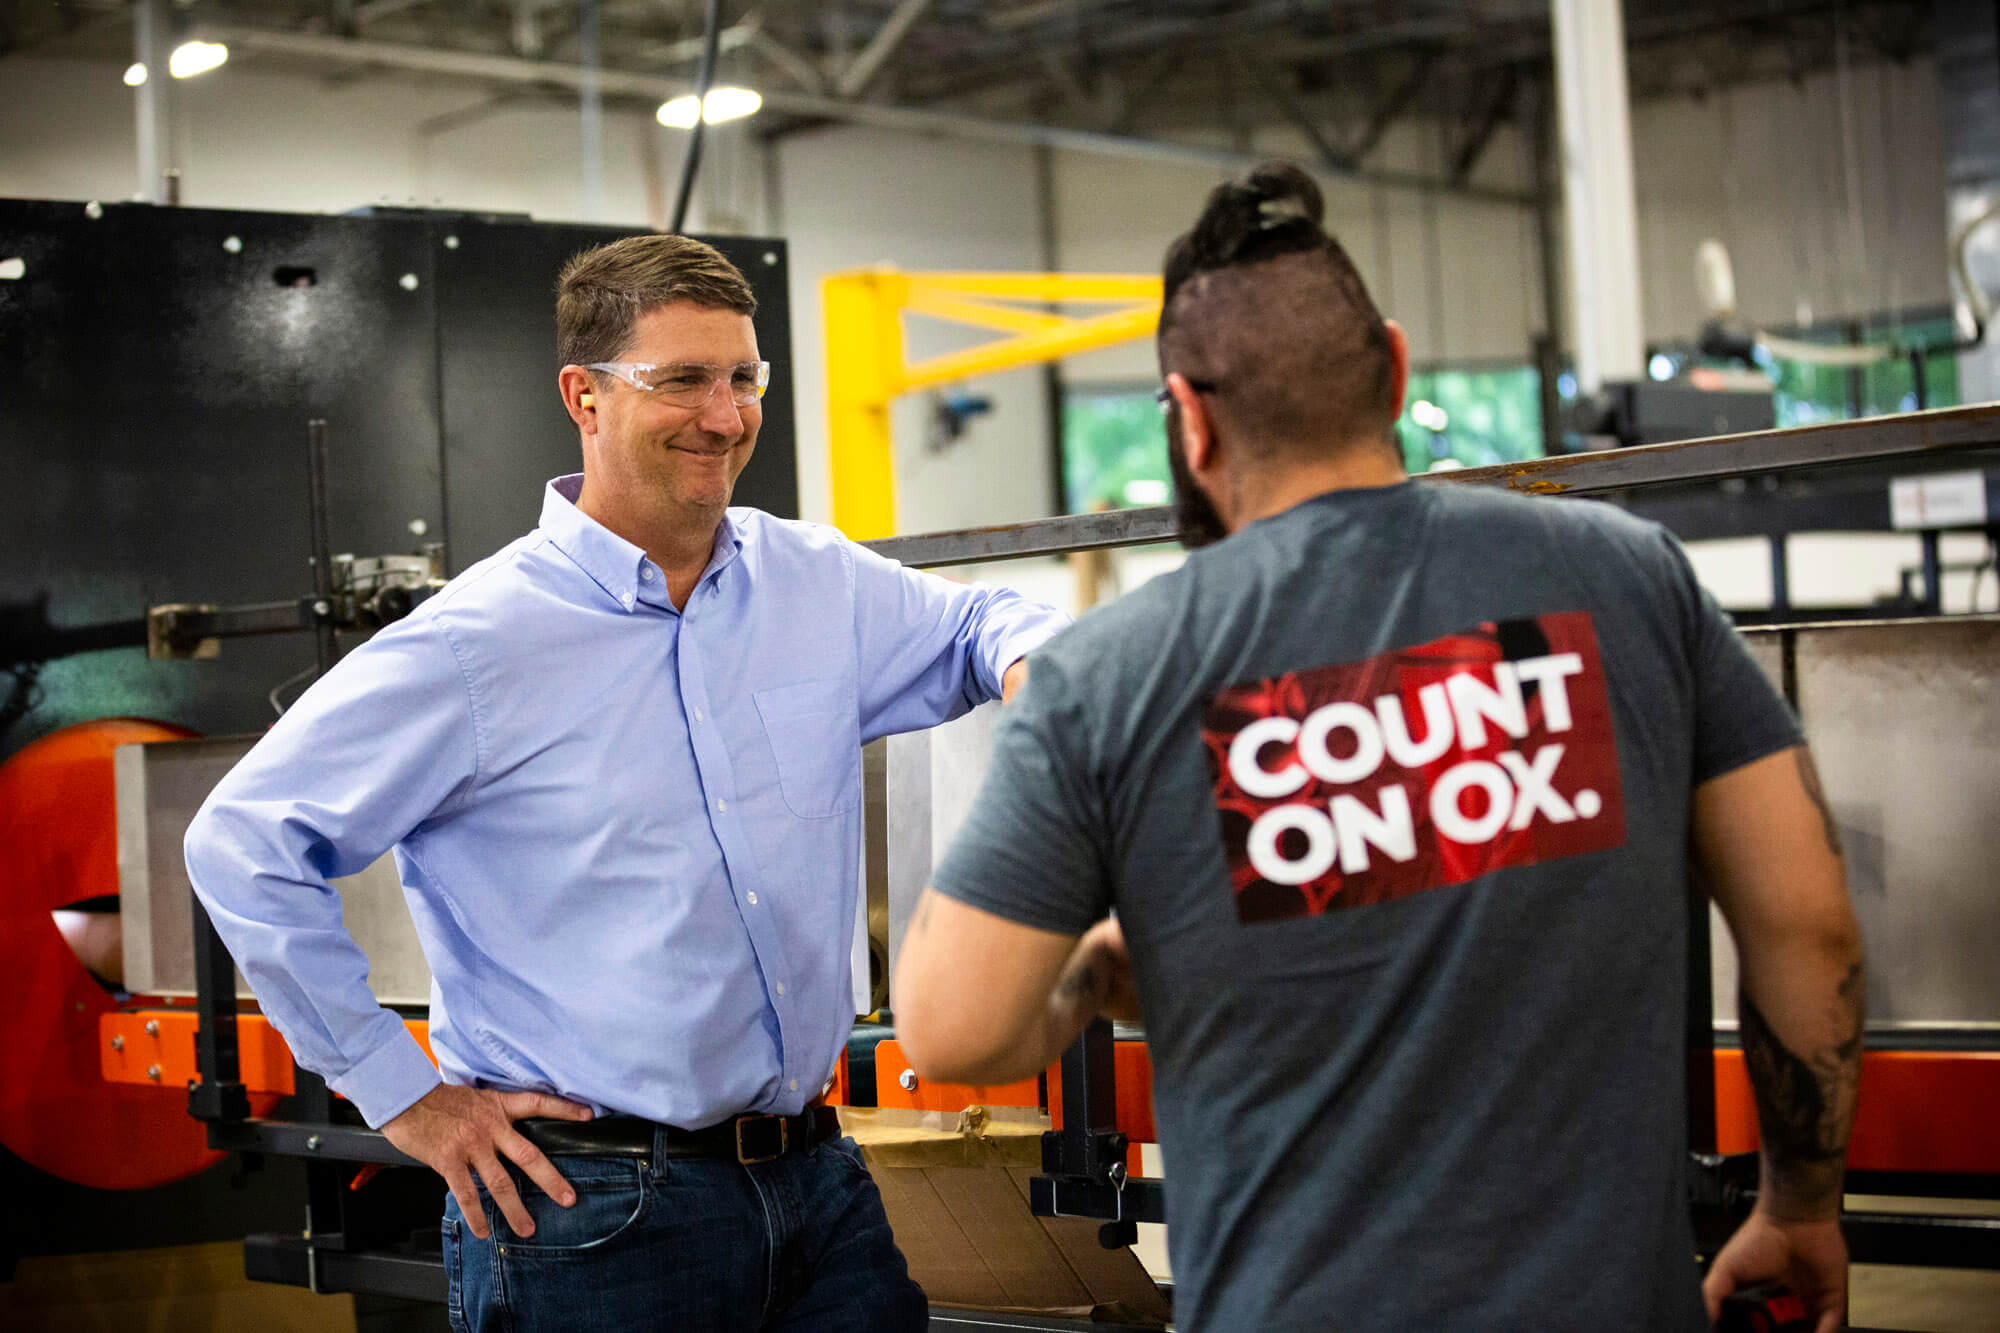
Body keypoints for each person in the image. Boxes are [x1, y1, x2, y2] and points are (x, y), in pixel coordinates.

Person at [893, 164, 1862, 1333]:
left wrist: (1102, 970)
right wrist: (1802, 1199)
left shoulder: (1118, 669)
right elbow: (1805, 924)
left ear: (1188, 420)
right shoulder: (1628, 573)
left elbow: (954, 1029)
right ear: (1394, 371)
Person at [184, 232, 1070, 1331]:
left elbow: (980, 623)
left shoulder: (815, 581)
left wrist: (1043, 674)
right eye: (682, 379)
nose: (725, 413)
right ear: (584, 397)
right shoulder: (475, 642)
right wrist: (400, 1094)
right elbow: (243, 843)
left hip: (815, 1181)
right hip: (588, 1214)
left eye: (743, 377)